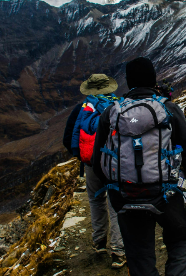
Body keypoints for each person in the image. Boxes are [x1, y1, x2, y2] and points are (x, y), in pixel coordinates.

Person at [92, 57, 186, 276]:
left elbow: (98, 162)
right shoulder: (169, 109)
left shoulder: (111, 113)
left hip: (126, 196)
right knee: (180, 241)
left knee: (140, 259)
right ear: (154, 79)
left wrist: (116, 190)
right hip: (166, 196)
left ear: (129, 82)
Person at [63, 73, 127, 269]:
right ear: (109, 88)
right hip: (114, 163)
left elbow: (68, 138)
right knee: (115, 203)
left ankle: (99, 242)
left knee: (95, 200)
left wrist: (82, 156)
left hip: (91, 164)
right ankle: (118, 251)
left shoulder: (82, 109)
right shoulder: (120, 106)